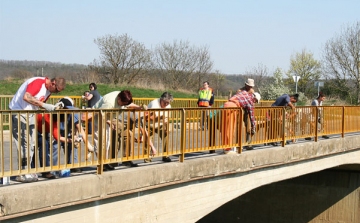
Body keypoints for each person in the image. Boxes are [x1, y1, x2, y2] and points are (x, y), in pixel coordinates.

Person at [9, 76, 65, 183]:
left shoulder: (48, 91)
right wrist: (44, 105)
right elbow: (27, 97)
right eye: (57, 90)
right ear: (53, 83)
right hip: (20, 112)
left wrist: (51, 107)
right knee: (24, 144)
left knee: (31, 144)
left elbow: (38, 104)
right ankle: (22, 173)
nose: (56, 92)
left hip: (30, 114)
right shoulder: (38, 82)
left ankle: (27, 170)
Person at [87, 90, 145, 169]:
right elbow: (100, 113)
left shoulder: (122, 97)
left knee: (107, 142)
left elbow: (129, 104)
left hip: (108, 118)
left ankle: (105, 162)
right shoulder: (109, 103)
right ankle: (101, 164)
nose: (123, 106)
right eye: (123, 104)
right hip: (99, 119)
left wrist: (138, 107)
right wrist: (109, 121)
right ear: (119, 99)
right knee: (100, 143)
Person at [36, 97, 91, 178]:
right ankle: (52, 169)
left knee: (72, 147)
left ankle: (73, 166)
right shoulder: (53, 117)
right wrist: (71, 140)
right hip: (46, 130)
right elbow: (57, 136)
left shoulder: (74, 112)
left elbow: (79, 128)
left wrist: (77, 138)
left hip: (66, 131)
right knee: (53, 148)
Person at [221, 79, 257, 154]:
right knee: (231, 128)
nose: (250, 87)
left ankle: (244, 144)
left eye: (251, 86)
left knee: (228, 128)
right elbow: (251, 112)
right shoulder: (243, 93)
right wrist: (254, 125)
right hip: (235, 109)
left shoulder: (247, 92)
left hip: (232, 106)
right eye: (249, 86)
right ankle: (230, 147)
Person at [143, 92, 174, 162]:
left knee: (166, 136)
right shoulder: (154, 104)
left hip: (160, 125)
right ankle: (147, 158)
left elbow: (167, 118)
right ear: (161, 99)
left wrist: (167, 127)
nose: (166, 104)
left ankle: (166, 156)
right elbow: (148, 118)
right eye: (165, 102)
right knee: (148, 140)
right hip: (149, 124)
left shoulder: (168, 106)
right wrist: (159, 118)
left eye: (168, 103)